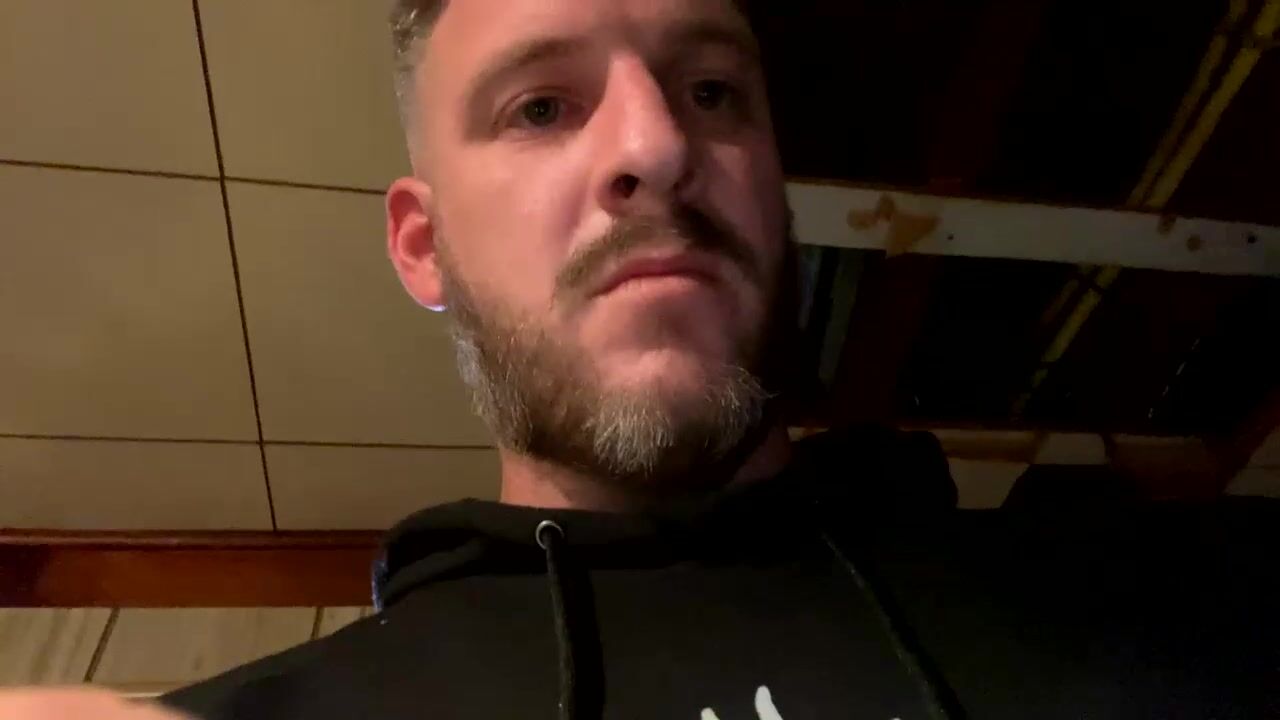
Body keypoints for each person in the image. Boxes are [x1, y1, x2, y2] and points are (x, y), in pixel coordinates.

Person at [4, 0, 1277, 718]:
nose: (658, 146)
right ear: (423, 246)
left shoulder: (1148, 586)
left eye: (712, 91)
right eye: (540, 106)